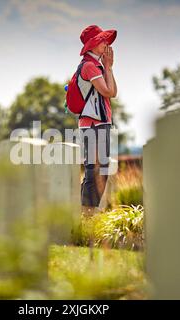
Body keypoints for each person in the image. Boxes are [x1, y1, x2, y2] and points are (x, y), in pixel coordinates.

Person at [77, 25, 118, 215]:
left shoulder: (98, 66)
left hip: (101, 123)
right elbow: (108, 91)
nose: (106, 44)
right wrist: (108, 68)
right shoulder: (89, 66)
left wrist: (108, 68)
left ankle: (87, 211)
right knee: (93, 169)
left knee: (101, 168)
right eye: (101, 40)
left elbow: (113, 93)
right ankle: (87, 213)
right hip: (93, 125)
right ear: (92, 45)